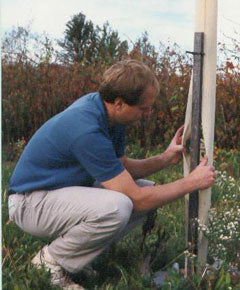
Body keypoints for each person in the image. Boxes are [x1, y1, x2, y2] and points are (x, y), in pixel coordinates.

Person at [8, 60, 215, 289]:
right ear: (119, 103)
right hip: (29, 203)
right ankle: (50, 262)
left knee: (144, 191)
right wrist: (191, 182)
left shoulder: (107, 115)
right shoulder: (86, 128)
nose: (147, 113)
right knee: (119, 206)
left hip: (55, 194)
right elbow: (136, 198)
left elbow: (120, 168)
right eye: (143, 108)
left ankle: (76, 258)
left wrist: (165, 158)